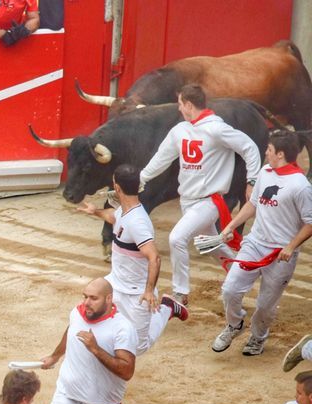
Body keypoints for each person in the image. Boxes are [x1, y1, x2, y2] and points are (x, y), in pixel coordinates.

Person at [139, 83, 262, 305]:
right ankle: (242, 272)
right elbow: (162, 158)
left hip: (209, 201)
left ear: (188, 104)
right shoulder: (180, 130)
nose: (178, 109)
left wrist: (252, 180)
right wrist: (142, 178)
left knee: (176, 238)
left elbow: (250, 148)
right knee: (209, 244)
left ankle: (180, 293)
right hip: (187, 199)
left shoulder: (216, 129)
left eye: (179, 104)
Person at [211, 129, 312, 356]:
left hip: (280, 254)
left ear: (281, 154)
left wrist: (290, 246)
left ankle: (257, 338)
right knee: (230, 289)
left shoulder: (300, 186)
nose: (265, 153)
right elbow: (253, 204)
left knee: (266, 305)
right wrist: (230, 226)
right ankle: (234, 324)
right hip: (255, 243)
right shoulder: (265, 171)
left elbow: (310, 222)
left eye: (269, 150)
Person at [76, 164, 187, 355]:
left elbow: (155, 258)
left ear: (117, 187)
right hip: (115, 282)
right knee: (90, 312)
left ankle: (168, 307)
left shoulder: (138, 222)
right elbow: (113, 218)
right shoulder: (124, 210)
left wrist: (149, 291)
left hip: (136, 291)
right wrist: (94, 211)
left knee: (138, 347)